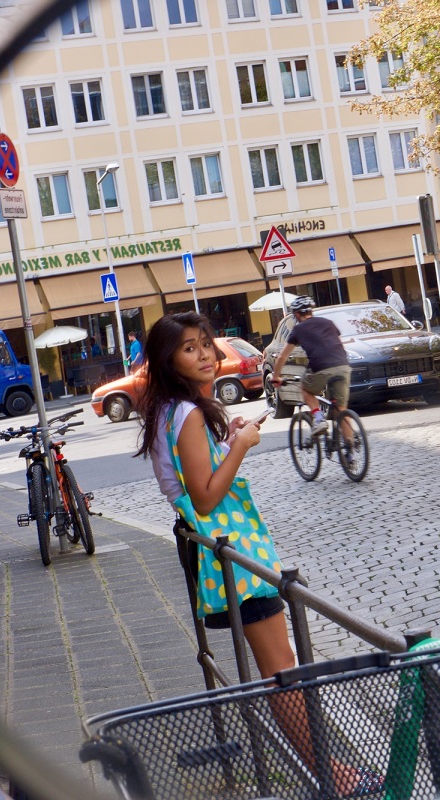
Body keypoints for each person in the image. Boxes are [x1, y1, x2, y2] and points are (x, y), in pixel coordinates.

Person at [134, 312, 377, 797]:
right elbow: (204, 496)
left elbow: (188, 482)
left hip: (219, 550)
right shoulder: (189, 414)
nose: (203, 354)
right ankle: (332, 775)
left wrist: (226, 440)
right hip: (233, 552)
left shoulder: (173, 410)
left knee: (278, 670)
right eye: (189, 348)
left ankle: (326, 769)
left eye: (205, 343)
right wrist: (241, 446)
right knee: (283, 672)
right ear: (169, 359)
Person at [270, 296, 351, 440]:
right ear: (311, 311)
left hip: (321, 367)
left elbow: (282, 357)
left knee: (306, 389)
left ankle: (319, 418)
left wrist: (276, 377)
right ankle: (350, 448)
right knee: (341, 408)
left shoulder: (298, 329)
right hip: (343, 365)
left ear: (296, 314)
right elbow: (339, 344)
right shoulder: (328, 323)